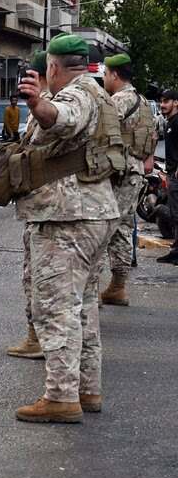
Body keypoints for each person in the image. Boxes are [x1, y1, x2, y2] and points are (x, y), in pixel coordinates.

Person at [14, 34, 121, 423]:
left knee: (57, 307)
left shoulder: (74, 95)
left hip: (68, 218)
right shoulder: (100, 94)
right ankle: (87, 389)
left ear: (53, 68)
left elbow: (62, 119)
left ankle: (61, 396)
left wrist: (37, 103)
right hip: (97, 213)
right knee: (84, 308)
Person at [7, 51, 50, 360]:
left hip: (48, 207)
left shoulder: (49, 107)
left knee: (37, 276)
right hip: (41, 204)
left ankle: (39, 338)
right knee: (32, 274)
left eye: (30, 77)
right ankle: (35, 335)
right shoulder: (46, 106)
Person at [100, 53, 150, 303]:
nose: (103, 78)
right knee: (122, 228)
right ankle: (118, 286)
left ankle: (89, 288)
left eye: (105, 74)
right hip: (135, 171)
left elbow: (100, 133)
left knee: (101, 227)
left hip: (117, 173)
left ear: (114, 75)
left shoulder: (117, 101)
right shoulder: (142, 100)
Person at [157, 88, 178, 264]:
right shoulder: (168, 122)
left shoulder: (177, 121)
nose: (162, 105)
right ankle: (176, 250)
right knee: (175, 212)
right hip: (171, 171)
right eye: (161, 101)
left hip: (176, 173)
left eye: (166, 101)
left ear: (175, 102)